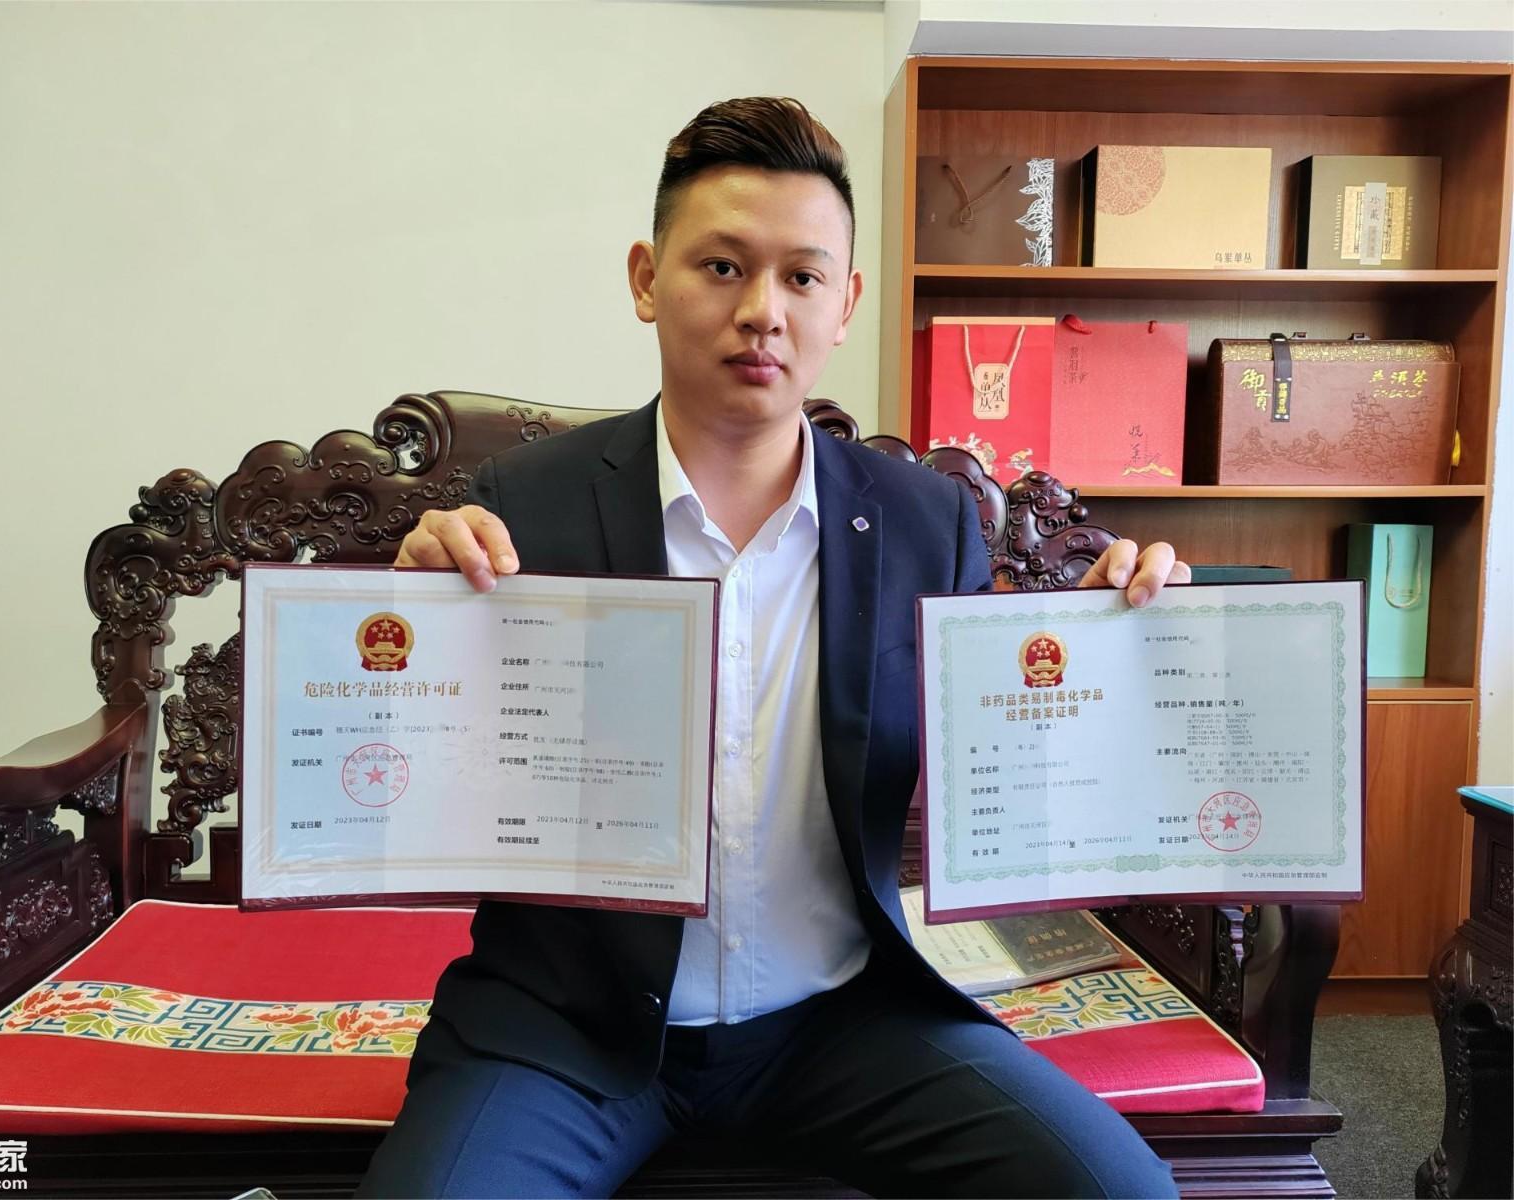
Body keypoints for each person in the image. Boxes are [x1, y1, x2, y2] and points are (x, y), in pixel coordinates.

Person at [358, 96, 1188, 1200]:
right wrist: (416, 646)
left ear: (844, 304)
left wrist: (1101, 653)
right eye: (721, 267)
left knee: (1121, 1194)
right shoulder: (525, 508)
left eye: (802, 277)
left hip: (842, 1023)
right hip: (568, 1030)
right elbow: (421, 784)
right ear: (646, 278)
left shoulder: (924, 521)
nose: (762, 311)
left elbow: (1010, 781)